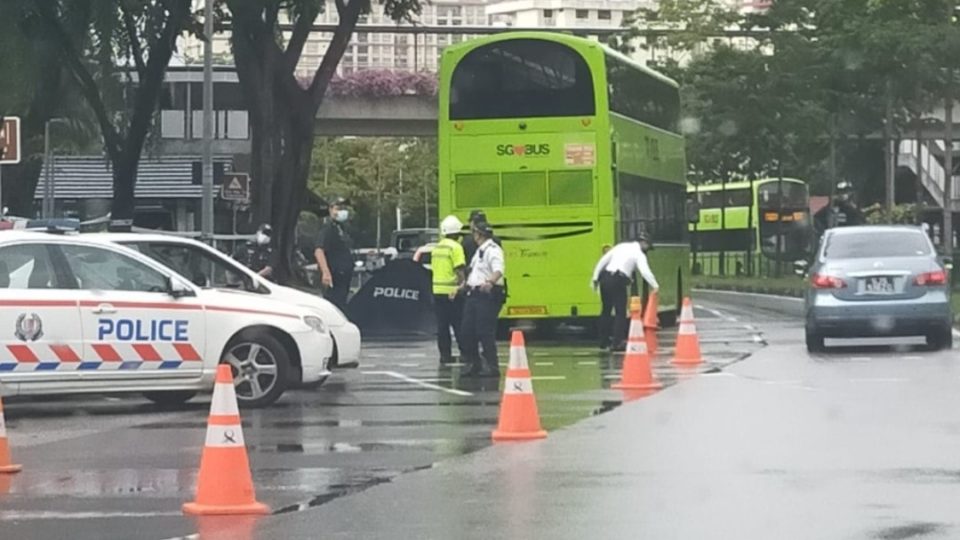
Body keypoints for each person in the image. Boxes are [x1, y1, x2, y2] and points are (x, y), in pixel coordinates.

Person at [591, 232, 659, 351]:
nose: (647, 250)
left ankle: (603, 341)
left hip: (605, 278)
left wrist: (595, 278)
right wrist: (655, 286)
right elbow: (645, 271)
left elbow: (602, 261)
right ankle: (617, 342)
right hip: (618, 280)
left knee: (606, 310)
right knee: (620, 312)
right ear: (644, 243)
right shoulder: (638, 254)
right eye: (648, 247)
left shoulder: (620, 246)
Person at [459, 221, 505, 378]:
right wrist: (460, 287)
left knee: (484, 332)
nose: (473, 236)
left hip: (486, 295)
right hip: (473, 294)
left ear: (479, 234)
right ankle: (475, 363)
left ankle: (492, 366)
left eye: (474, 233)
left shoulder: (493, 250)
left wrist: (490, 282)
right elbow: (473, 273)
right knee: (466, 331)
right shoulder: (480, 251)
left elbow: (498, 270)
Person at [432, 215, 467, 366]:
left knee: (442, 325)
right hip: (452, 291)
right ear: (456, 233)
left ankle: (445, 355)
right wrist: (463, 284)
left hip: (437, 290)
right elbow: (459, 269)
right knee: (458, 324)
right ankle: (465, 352)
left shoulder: (437, 247)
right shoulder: (455, 247)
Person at [314, 197, 354, 311]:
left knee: (341, 305)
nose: (342, 211)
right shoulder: (327, 228)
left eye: (344, 208)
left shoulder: (343, 228)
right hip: (333, 277)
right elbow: (319, 250)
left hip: (344, 276)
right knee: (332, 307)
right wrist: (326, 273)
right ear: (331, 210)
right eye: (338, 208)